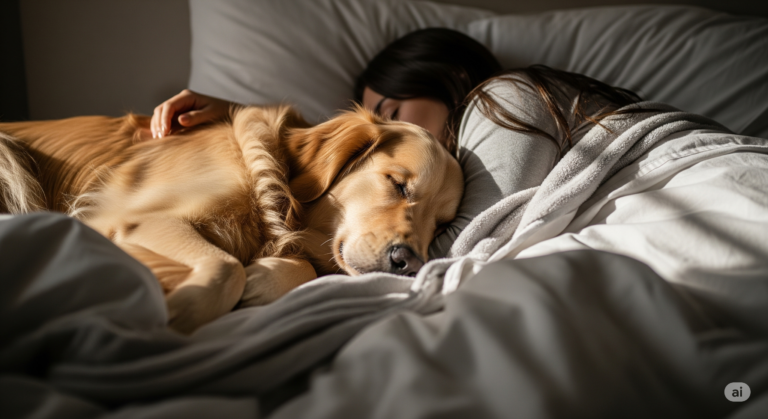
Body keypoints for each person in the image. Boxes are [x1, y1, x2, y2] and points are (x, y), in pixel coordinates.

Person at [149, 28, 644, 258]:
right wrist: (247, 121)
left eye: (392, 111)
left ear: (448, 78)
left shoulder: (505, 96)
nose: (394, 127)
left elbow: (477, 240)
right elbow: (369, 161)